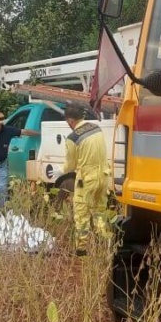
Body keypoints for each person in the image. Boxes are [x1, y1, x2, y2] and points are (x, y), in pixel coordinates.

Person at [59, 102, 111, 256]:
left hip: (86, 181)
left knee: (82, 214)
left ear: (70, 121)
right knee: (100, 211)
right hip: (103, 177)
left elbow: (70, 165)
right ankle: (103, 245)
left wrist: (59, 171)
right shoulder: (96, 128)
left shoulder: (73, 137)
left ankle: (81, 250)